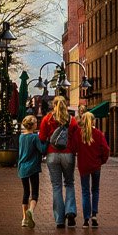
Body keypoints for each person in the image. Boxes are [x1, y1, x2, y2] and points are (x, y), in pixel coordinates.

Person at [37, 96, 81, 227]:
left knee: (56, 186)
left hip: (52, 154)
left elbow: (42, 137)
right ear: (65, 105)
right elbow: (77, 139)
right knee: (69, 183)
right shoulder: (72, 120)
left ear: (53, 105)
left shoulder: (47, 119)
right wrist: (74, 151)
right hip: (68, 154)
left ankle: (59, 220)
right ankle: (70, 211)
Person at [77, 111, 109, 228]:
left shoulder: (79, 134)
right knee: (95, 190)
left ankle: (86, 219)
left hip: (83, 166)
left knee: (85, 192)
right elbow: (106, 149)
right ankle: (94, 214)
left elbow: (74, 147)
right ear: (93, 121)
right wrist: (102, 161)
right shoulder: (98, 134)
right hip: (96, 166)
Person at [16, 115, 43, 228]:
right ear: (32, 125)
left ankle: (24, 219)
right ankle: (31, 210)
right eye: (36, 122)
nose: (37, 124)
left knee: (26, 192)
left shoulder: (21, 137)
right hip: (33, 168)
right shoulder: (34, 137)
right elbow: (41, 149)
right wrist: (47, 142)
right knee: (35, 192)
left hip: (22, 167)